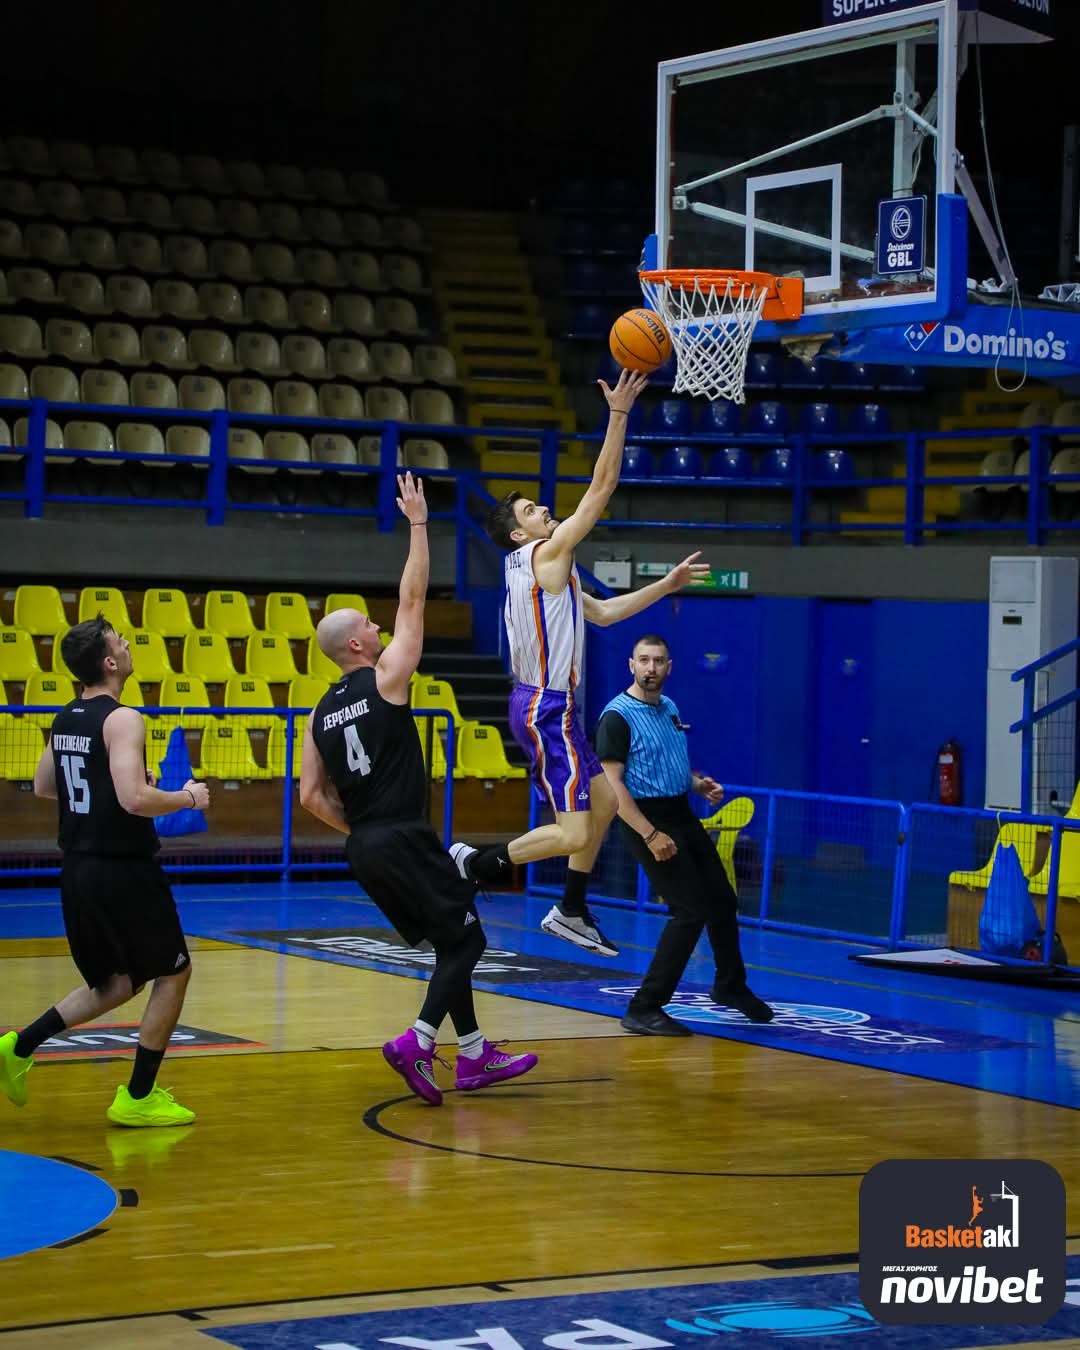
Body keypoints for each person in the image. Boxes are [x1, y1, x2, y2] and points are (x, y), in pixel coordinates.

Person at [451, 369, 709, 959]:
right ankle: (476, 863)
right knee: (573, 831)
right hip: (546, 705)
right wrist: (618, 414)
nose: (544, 509)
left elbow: (605, 614)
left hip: (546, 703)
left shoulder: (546, 574)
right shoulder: (544, 556)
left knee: (605, 804)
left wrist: (664, 583)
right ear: (521, 534)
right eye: (532, 509)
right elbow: (602, 487)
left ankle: (570, 907)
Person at [299, 472, 537, 1106]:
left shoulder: (317, 713)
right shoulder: (386, 677)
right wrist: (419, 525)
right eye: (370, 628)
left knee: (449, 937)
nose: (381, 629)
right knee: (470, 938)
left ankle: (477, 1054)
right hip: (405, 836)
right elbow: (412, 600)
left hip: (368, 847)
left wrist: (363, 831)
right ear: (356, 644)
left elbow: (310, 799)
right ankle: (420, 1040)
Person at [0, 617, 211, 1125]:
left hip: (77, 869)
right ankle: (138, 1097)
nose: (128, 644)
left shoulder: (66, 716)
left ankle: (18, 1047)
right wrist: (187, 796)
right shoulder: (123, 719)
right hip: (123, 870)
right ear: (110, 663)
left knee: (115, 985)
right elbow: (134, 800)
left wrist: (125, 778)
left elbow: (46, 784)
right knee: (175, 970)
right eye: (121, 641)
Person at [594, 633, 773, 1034]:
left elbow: (664, 762)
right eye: (644, 660)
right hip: (645, 819)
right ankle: (644, 1007)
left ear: (669, 667)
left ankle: (730, 986)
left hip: (682, 812)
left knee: (723, 899)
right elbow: (613, 786)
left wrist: (698, 784)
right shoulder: (617, 717)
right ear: (631, 665)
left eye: (658, 661)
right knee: (689, 910)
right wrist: (650, 833)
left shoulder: (669, 708)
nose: (651, 669)